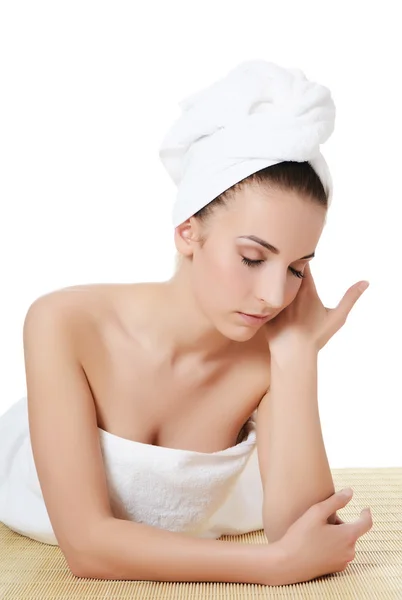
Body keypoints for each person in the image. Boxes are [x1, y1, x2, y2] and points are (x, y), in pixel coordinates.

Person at [0, 60, 373, 586]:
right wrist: (269, 567)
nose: (273, 296)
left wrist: (297, 355)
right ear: (187, 232)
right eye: (251, 257)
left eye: (296, 268)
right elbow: (85, 547)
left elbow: (304, 534)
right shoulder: (64, 323)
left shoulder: (273, 350)